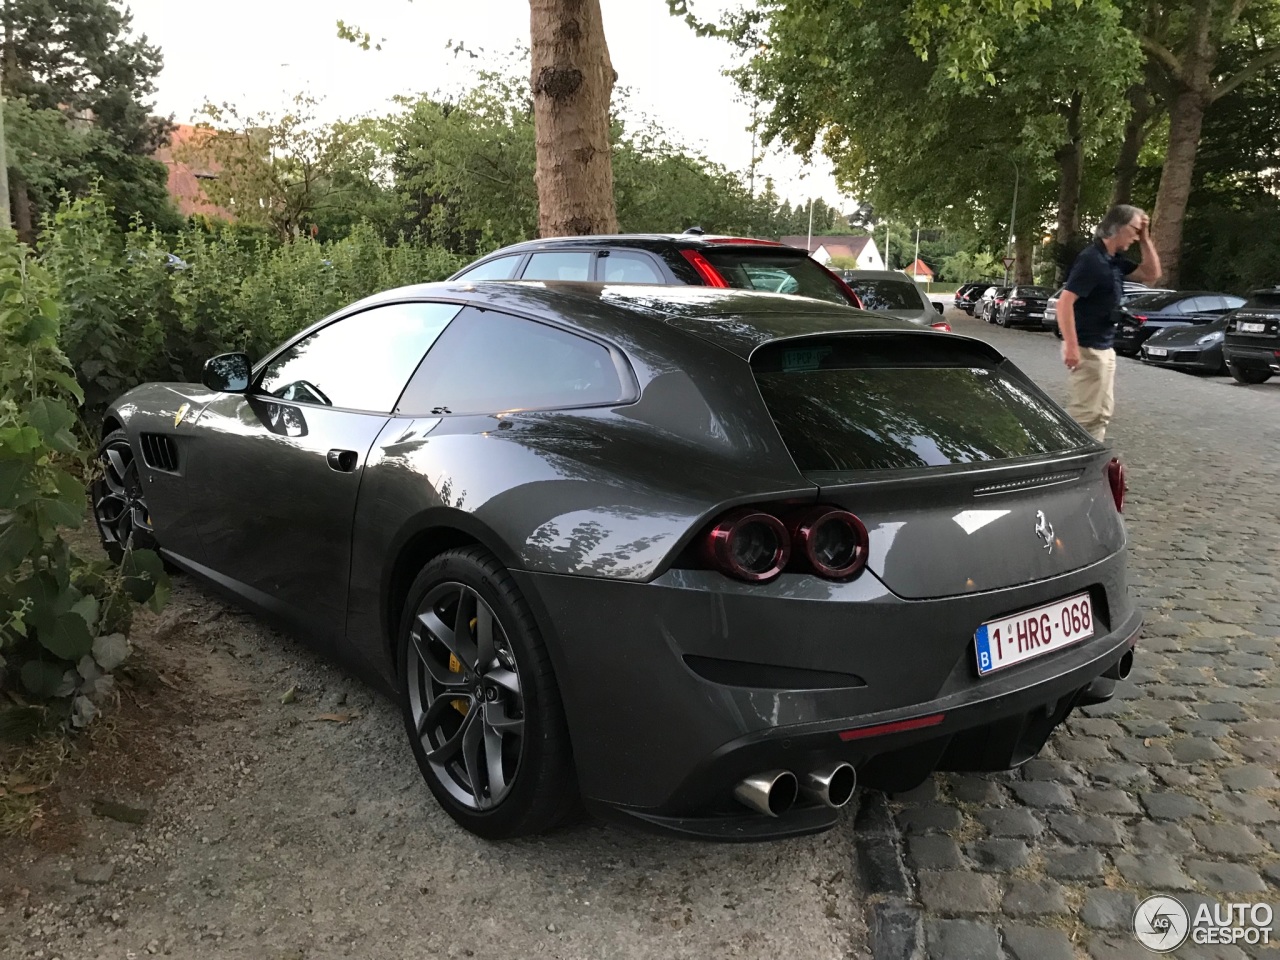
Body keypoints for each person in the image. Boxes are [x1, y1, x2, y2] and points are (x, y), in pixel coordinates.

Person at [1056, 204, 1161, 441]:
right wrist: (1072, 347)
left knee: (1100, 414)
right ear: (1118, 228)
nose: (1135, 236)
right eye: (1134, 230)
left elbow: (1152, 274)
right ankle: (1069, 464)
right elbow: (1064, 303)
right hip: (1087, 349)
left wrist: (1146, 238)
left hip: (1104, 348)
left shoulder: (1113, 261)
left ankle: (1092, 463)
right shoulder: (1091, 260)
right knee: (1083, 416)